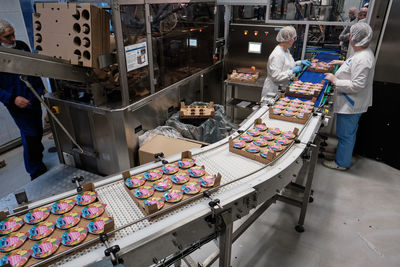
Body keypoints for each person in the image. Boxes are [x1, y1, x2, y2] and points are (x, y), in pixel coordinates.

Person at [323, 23, 375, 171]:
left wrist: (335, 80)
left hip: (351, 104)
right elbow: (354, 65)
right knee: (345, 133)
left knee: (346, 135)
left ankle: (341, 163)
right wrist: (342, 62)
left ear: (355, 38)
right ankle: (341, 155)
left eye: (351, 34)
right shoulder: (361, 53)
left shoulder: (363, 58)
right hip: (348, 101)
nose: (349, 37)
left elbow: (358, 85)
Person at [0, 19, 47, 180]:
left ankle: (38, 160)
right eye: (7, 37)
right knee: (30, 135)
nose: (12, 39)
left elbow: (32, 69)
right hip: (17, 103)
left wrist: (41, 88)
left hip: (32, 96)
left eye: (13, 34)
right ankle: (34, 171)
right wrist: (12, 98)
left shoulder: (21, 46)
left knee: (38, 131)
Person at [261, 26, 311, 98]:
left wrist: (299, 62)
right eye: (293, 38)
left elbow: (286, 65)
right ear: (288, 39)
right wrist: (292, 71)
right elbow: (276, 77)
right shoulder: (277, 55)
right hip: (273, 91)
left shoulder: (286, 50)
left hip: (281, 88)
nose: (294, 40)